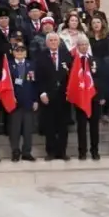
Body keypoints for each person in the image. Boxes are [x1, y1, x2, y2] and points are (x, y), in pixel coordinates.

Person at [34, 32, 71, 161]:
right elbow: (38, 77)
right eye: (51, 40)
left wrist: (69, 92)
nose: (54, 42)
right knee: (49, 126)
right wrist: (42, 92)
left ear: (59, 42)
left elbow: (71, 76)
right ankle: (50, 152)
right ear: (47, 42)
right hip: (47, 96)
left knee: (63, 126)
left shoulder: (67, 56)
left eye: (56, 40)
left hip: (63, 96)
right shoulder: (41, 56)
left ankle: (62, 152)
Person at [69, 34, 101, 161]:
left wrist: (101, 95)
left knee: (94, 127)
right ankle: (82, 152)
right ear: (77, 47)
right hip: (80, 98)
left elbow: (100, 79)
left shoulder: (95, 60)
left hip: (94, 97)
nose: (83, 47)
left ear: (88, 46)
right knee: (81, 127)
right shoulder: (73, 61)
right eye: (80, 45)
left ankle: (95, 151)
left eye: (85, 44)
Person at [6, 42, 37, 162]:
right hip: (14, 102)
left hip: (29, 100)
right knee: (15, 129)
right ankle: (15, 151)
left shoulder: (32, 65)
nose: (20, 53)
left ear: (26, 52)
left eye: (22, 50)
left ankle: (27, 152)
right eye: (17, 51)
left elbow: (35, 84)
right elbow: (6, 84)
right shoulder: (8, 65)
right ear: (13, 52)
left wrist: (35, 100)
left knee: (28, 129)